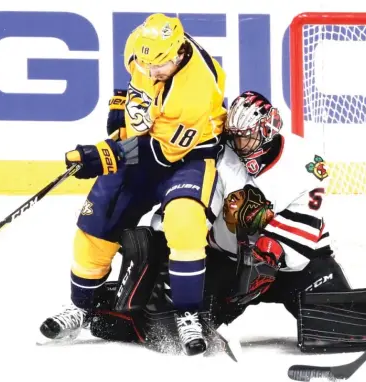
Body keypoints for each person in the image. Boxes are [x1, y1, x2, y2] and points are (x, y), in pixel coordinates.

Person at [86, 91, 366, 354]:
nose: (239, 145)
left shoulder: (307, 162)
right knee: (183, 327)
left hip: (295, 264)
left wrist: (268, 251)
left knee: (338, 328)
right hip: (228, 259)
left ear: (266, 130)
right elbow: (188, 205)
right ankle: (117, 299)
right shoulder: (219, 157)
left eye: (247, 137)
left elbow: (307, 226)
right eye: (234, 137)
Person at [39, 13, 226, 356]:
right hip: (146, 146)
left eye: (160, 65)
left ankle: (188, 314)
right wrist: (120, 109)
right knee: (101, 212)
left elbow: (157, 154)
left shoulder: (197, 89)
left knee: (184, 222)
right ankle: (82, 306)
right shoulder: (142, 46)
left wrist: (105, 154)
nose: (151, 70)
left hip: (187, 158)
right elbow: (136, 85)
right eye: (146, 62)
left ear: (179, 51)